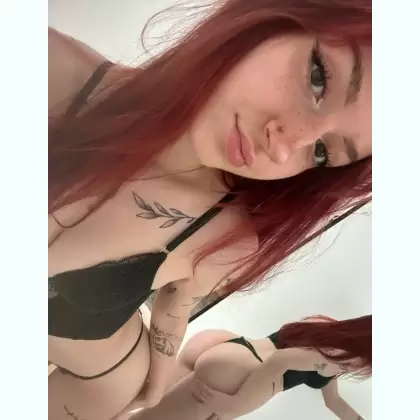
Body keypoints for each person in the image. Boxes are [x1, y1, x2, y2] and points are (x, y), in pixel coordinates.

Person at [48, 0, 372, 418]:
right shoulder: (49, 70)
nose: (284, 147)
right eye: (317, 78)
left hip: (100, 380)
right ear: (276, 17)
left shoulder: (226, 234)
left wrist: (154, 386)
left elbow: (176, 304)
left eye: (323, 152)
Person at [125, 315, 371, 420]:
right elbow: (281, 360)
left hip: (231, 346)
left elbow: (333, 401)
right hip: (240, 376)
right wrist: (236, 404)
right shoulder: (333, 360)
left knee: (146, 408)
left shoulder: (325, 325)